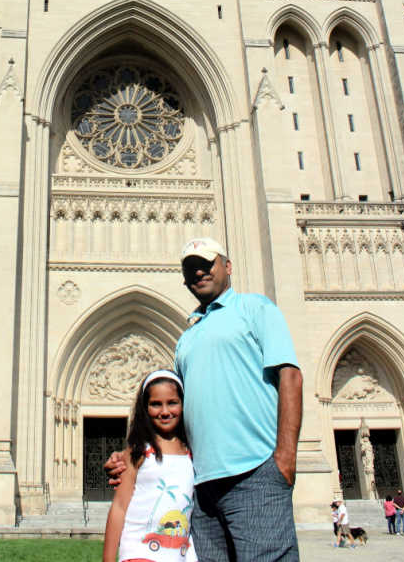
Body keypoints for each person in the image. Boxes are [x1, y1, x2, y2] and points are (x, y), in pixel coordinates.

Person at [107, 237, 303, 562]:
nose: (199, 273)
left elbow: (290, 376)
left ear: (227, 266)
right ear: (184, 280)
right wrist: (133, 454)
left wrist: (284, 458)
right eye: (191, 269)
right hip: (201, 485)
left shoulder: (254, 308)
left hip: (254, 470)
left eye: (207, 264)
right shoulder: (187, 338)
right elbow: (177, 413)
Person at [103, 370, 196, 562]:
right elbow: (119, 507)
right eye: (155, 404)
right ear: (145, 408)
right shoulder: (139, 452)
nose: (164, 411)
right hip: (139, 553)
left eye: (172, 402)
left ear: (183, 404)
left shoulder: (192, 453)